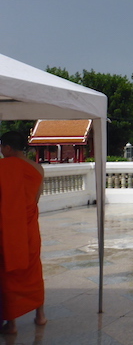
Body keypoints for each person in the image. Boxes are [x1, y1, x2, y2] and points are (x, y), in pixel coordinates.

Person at [0, 131, 47, 334]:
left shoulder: (2, 168)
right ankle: (40, 315)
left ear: (8, 148)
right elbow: (35, 199)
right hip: (29, 230)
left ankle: (11, 324)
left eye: (2, 147)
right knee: (33, 271)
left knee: (8, 274)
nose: (1, 151)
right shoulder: (37, 169)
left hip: (7, 230)